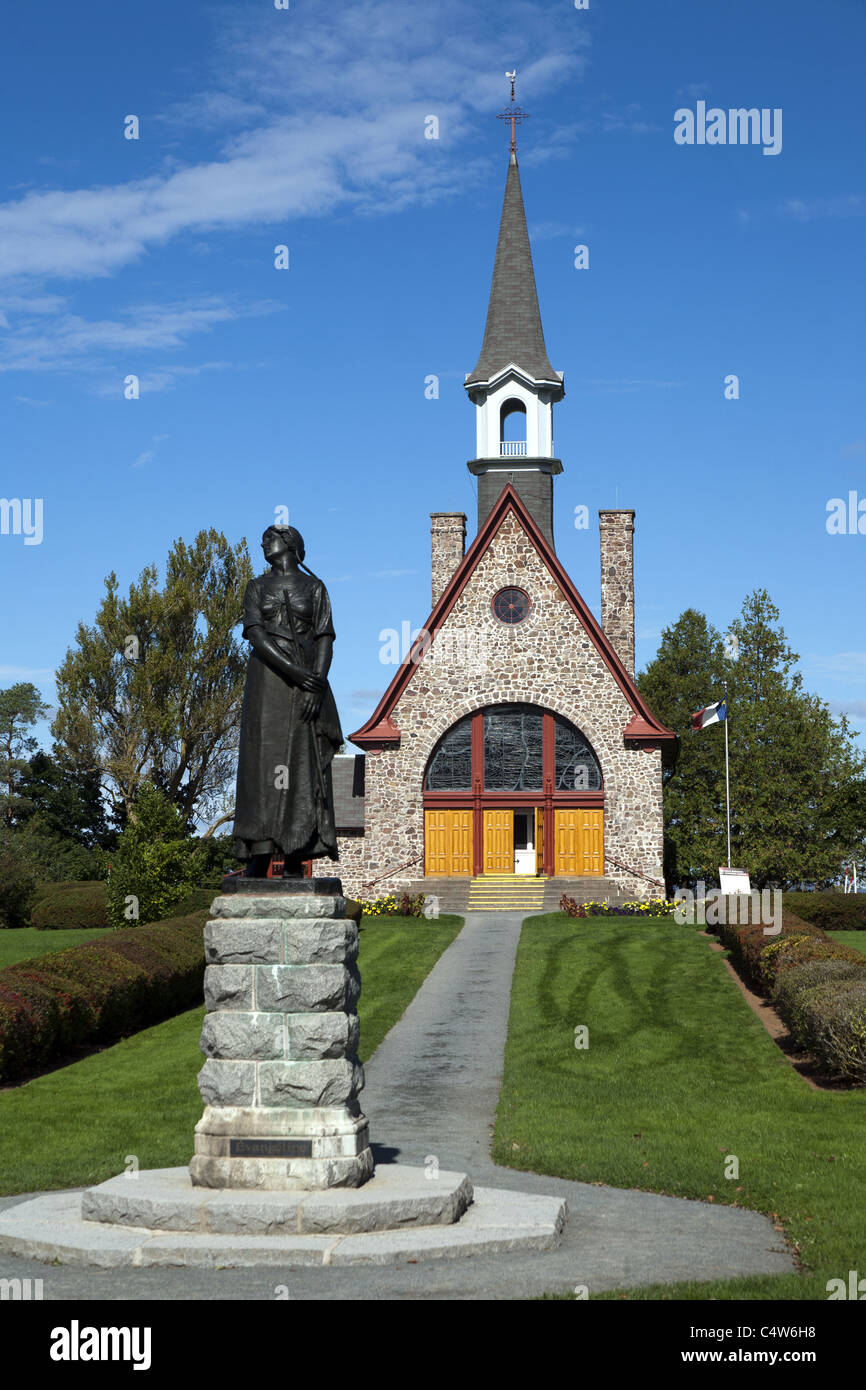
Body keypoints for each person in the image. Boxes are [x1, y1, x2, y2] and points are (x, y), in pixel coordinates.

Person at [232, 524, 343, 877]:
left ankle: (298, 852)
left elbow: (325, 637)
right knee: (262, 764)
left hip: (308, 683)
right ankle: (259, 852)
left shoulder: (314, 588)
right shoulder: (256, 587)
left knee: (302, 763)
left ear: (290, 545)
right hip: (268, 681)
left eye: (271, 538)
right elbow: (255, 634)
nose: (264, 543)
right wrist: (296, 673)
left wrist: (315, 685)